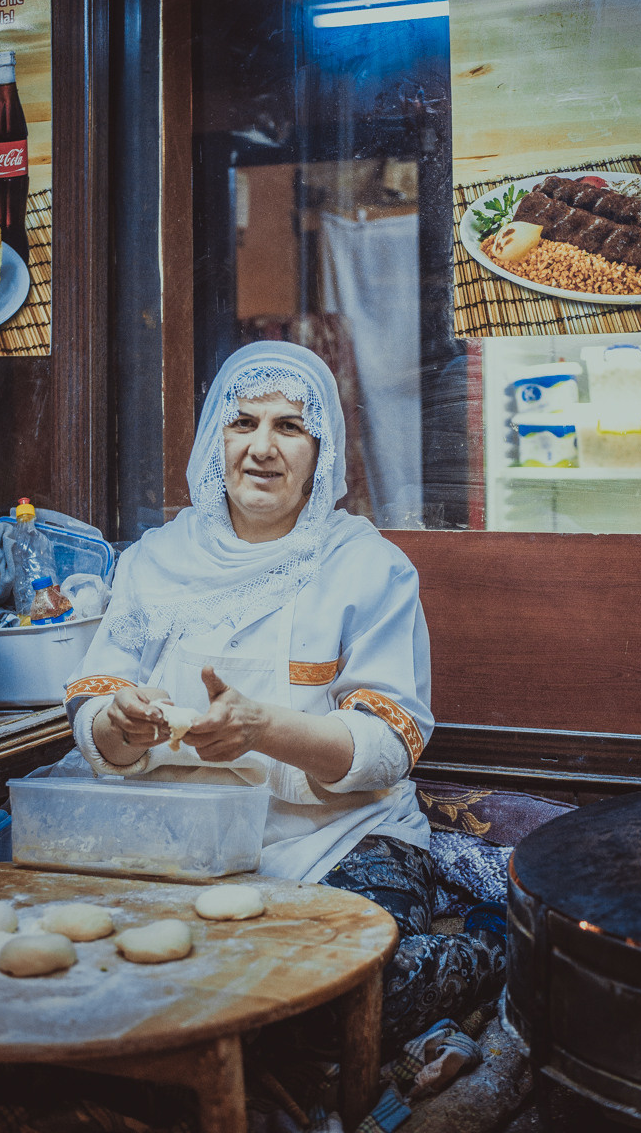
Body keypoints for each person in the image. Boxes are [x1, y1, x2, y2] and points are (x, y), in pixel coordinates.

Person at [65, 341, 505, 1057]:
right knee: (116, 981)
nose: (261, 449)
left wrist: (261, 727)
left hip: (336, 838)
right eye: (243, 424)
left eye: (289, 428)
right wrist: (118, 725)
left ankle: (491, 946)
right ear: (217, 438)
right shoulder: (155, 562)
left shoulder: (367, 569)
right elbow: (96, 702)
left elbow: (388, 746)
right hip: (182, 844)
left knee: (332, 1001)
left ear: (320, 450)